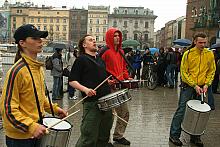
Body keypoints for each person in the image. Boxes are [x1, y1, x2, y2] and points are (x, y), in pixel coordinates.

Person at [0, 24, 67, 147]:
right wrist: (31, 126)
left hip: (36, 130)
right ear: (22, 43)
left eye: (40, 38)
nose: (40, 41)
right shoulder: (17, 71)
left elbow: (39, 99)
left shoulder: (37, 68)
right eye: (35, 38)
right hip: (20, 138)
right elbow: (7, 109)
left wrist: (55, 109)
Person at [169, 32, 216, 147]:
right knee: (181, 110)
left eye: (204, 42)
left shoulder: (209, 54)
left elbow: (211, 70)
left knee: (200, 112)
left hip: (203, 87)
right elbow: (184, 72)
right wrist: (194, 85)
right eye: (200, 42)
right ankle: (174, 135)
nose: (203, 45)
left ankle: (196, 137)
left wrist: (207, 84)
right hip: (189, 87)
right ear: (194, 41)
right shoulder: (188, 54)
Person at [69, 35, 113, 147]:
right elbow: (72, 81)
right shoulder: (81, 59)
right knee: (88, 138)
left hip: (106, 102)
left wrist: (107, 82)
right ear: (84, 45)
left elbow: (99, 78)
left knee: (104, 136)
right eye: (90, 40)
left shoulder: (100, 60)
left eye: (94, 40)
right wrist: (85, 89)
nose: (94, 41)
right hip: (92, 103)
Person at [101, 28, 132, 145]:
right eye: (115, 36)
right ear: (109, 37)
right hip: (109, 88)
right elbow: (99, 68)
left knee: (125, 113)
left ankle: (118, 135)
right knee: (109, 116)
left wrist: (126, 77)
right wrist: (107, 80)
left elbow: (123, 67)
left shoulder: (121, 52)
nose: (117, 38)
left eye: (119, 36)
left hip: (120, 86)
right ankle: (105, 139)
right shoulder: (105, 52)